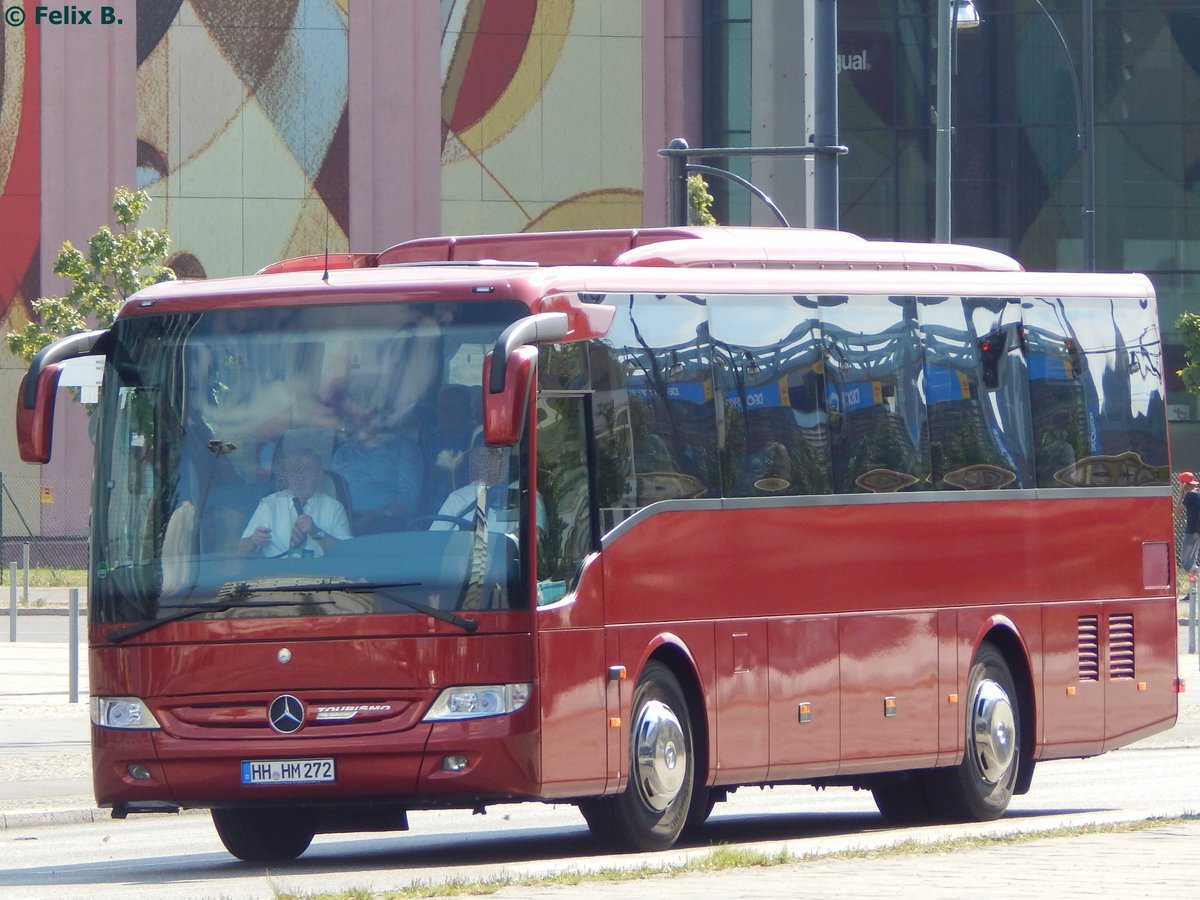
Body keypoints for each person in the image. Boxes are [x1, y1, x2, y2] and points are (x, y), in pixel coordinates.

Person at [239, 448, 351, 557]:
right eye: (294, 471)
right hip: (276, 573)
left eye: (306, 470)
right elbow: (241, 550)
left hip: (318, 572)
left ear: (319, 475)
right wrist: (253, 541)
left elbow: (347, 553)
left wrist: (317, 533)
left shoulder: (334, 508)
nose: (299, 477)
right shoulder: (270, 504)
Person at [331, 410, 423, 533]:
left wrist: (374, 515)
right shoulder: (343, 452)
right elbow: (334, 491)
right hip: (345, 521)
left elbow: (410, 497)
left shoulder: (403, 448)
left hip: (387, 522)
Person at [1178, 471, 1200, 575]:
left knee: (1186, 563)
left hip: (1191, 531)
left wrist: (1181, 493)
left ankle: (1197, 572)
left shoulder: (1190, 496)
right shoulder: (1198, 494)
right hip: (1198, 531)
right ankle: (1194, 590)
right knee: (1192, 562)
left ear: (1184, 484)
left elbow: (1177, 511)